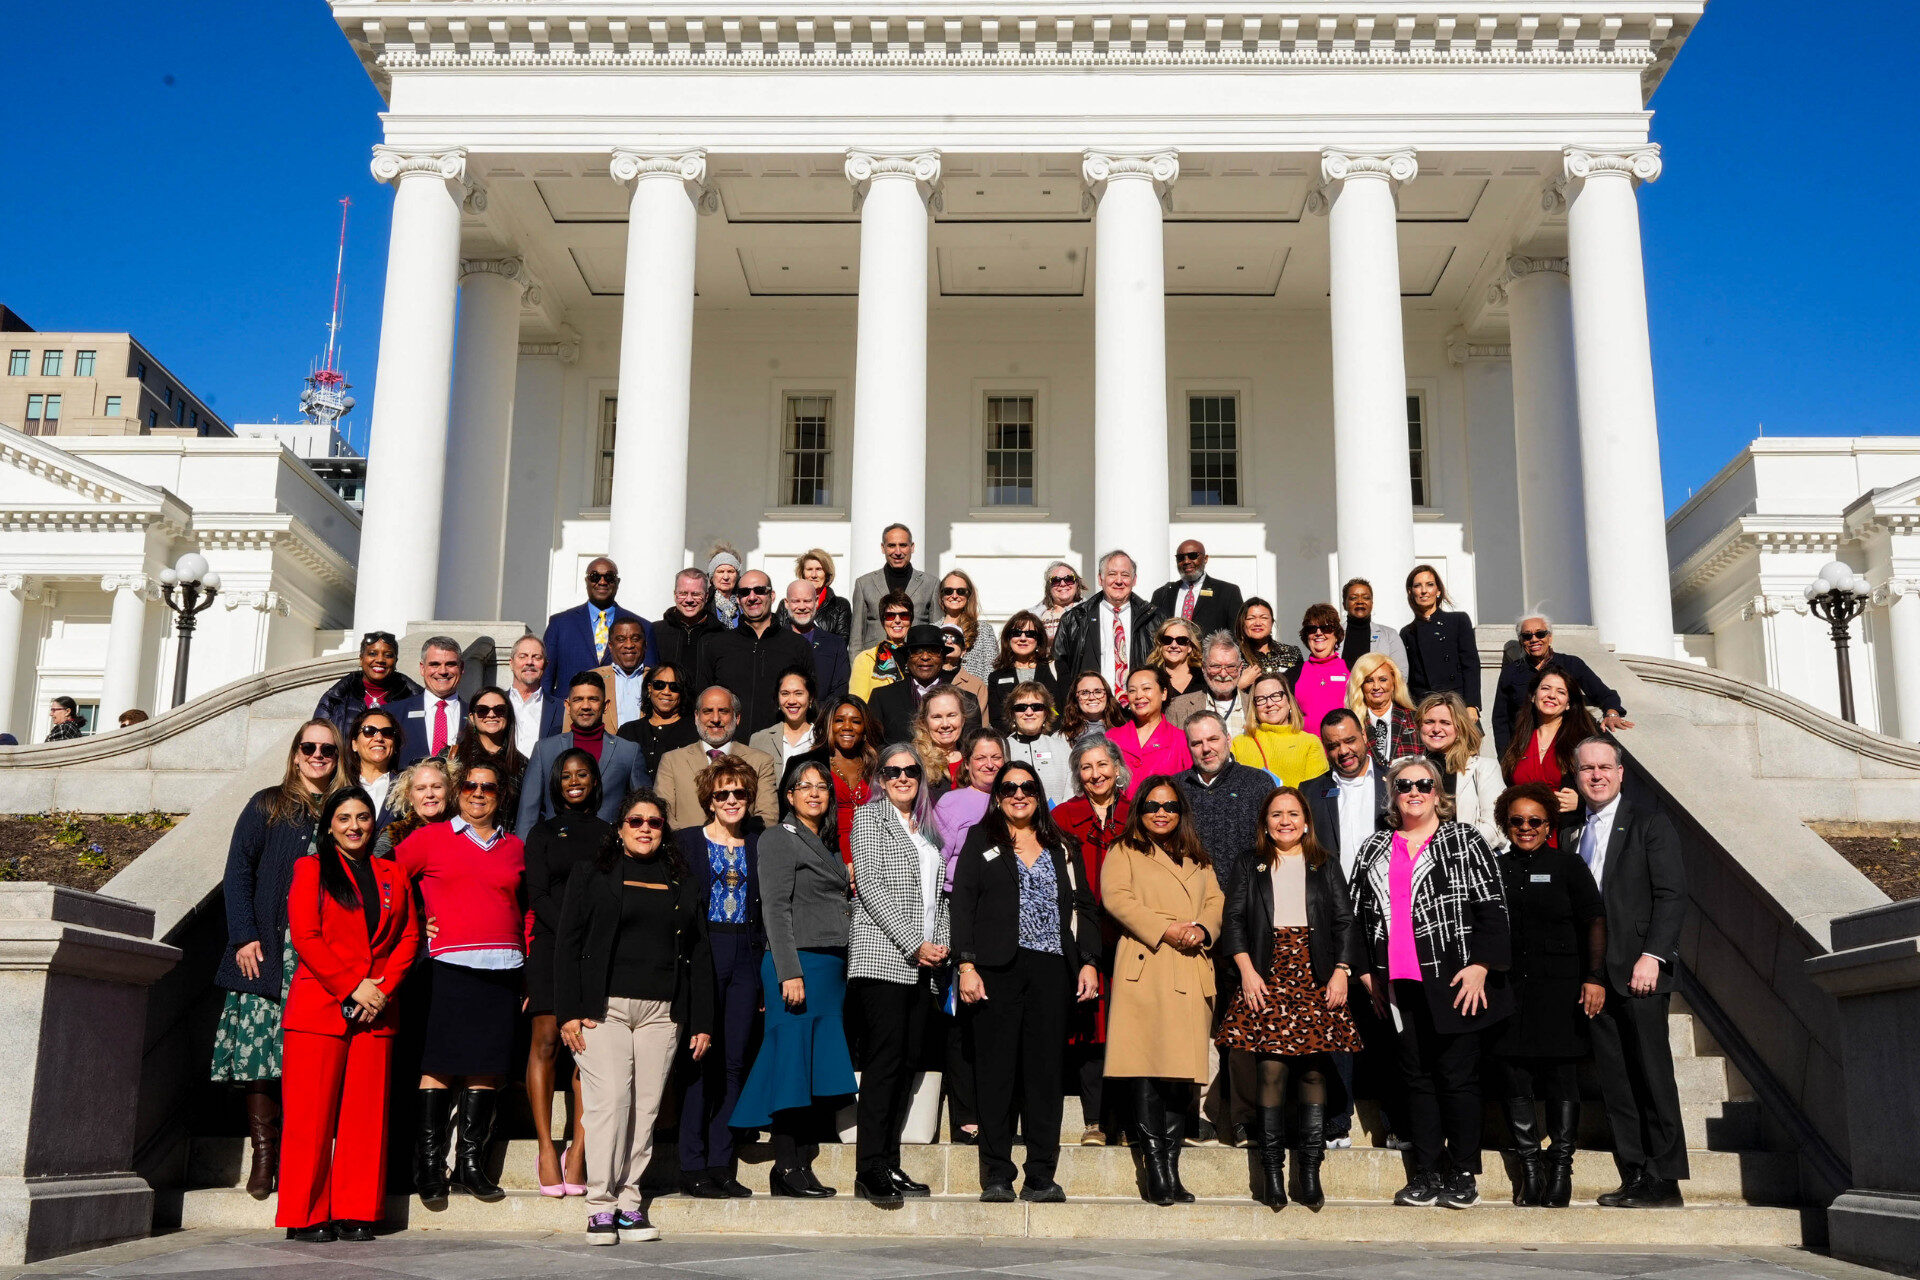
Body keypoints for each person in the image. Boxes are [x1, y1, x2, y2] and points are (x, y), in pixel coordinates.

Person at [1348, 755, 1512, 1210]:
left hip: (1456, 980)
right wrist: (1365, 973)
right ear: (1392, 795)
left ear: (1438, 792)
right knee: (1415, 1080)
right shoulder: (1373, 848)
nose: (1413, 792)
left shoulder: (1462, 840)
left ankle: (1461, 1172)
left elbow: (1492, 907)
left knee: (1457, 1079)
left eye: (1423, 784)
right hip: (1397, 986)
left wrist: (1481, 964)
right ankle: (1424, 1171)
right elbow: (1356, 918)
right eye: (1404, 786)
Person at [557, 789, 715, 1245]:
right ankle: (600, 1206)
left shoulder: (680, 880)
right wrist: (568, 1011)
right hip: (601, 1011)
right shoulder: (592, 874)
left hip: (661, 1014)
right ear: (620, 828)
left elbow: (698, 951)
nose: (645, 828)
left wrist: (699, 1019)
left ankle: (629, 1203)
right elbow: (567, 943)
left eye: (655, 822)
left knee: (645, 1111)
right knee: (610, 1107)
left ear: (664, 831)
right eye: (635, 821)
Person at [951, 760, 1101, 1203]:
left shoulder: (1063, 846)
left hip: (1052, 970)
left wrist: (1088, 960)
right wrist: (966, 965)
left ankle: (1040, 1175)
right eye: (1010, 787)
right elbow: (963, 906)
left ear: (1039, 795)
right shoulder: (981, 840)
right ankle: (996, 1174)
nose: (1020, 794)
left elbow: (1085, 907)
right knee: (996, 1074)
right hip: (995, 971)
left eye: (1029, 787)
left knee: (1043, 1076)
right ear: (998, 796)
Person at [277, 787, 422, 1243]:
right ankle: (305, 1215)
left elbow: (410, 938)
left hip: (376, 1009)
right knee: (310, 1118)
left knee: (365, 1119)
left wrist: (380, 990)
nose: (354, 826)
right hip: (320, 1007)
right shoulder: (311, 868)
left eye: (362, 817)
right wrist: (351, 984)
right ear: (329, 825)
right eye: (344, 818)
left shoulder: (391, 872)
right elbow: (306, 935)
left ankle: (357, 1210)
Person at [211, 719, 347, 1199]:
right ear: (294, 754)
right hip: (267, 949)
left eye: (327, 750)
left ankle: (302, 1153)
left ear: (338, 757)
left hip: (319, 955)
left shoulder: (343, 810)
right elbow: (238, 870)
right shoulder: (268, 804)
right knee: (261, 1059)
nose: (317, 755)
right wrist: (244, 935)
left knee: (306, 1061)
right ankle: (265, 1156)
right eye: (308, 747)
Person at [1215, 786, 1362, 1210]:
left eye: (1293, 814)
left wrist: (1341, 972)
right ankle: (1273, 1173)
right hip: (1265, 972)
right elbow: (1235, 920)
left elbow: (1344, 922)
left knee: (1315, 1071)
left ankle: (1310, 1174)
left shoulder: (1325, 864)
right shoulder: (1249, 863)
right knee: (1272, 1072)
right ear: (1265, 821)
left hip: (1316, 973)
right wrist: (1246, 971)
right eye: (1276, 814)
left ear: (1305, 821)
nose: (1285, 821)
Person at [1563, 738, 1690, 1210]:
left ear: (1620, 773)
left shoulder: (1649, 823)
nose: (1596, 775)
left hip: (1640, 972)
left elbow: (1672, 895)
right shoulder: (1571, 830)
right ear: (1576, 775)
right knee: (1615, 1080)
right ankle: (1635, 1173)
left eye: (1604, 767)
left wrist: (1653, 955)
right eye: (1586, 768)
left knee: (1652, 1074)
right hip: (1594, 978)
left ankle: (1666, 1178)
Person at [396, 761, 527, 1205]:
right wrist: (413, 924)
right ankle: (430, 1165)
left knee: (486, 1066)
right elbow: (385, 882)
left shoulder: (515, 847)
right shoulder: (430, 839)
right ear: (458, 791)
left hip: (504, 968)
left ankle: (471, 1164)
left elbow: (526, 906)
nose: (477, 793)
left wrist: (524, 948)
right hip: (447, 965)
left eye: (487, 787)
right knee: (439, 1064)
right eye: (469, 785)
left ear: (500, 795)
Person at [732, 761, 858, 1197]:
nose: (814, 793)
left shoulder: (826, 843)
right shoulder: (778, 838)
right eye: (804, 786)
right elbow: (775, 909)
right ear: (788, 795)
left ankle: (801, 1164)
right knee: (790, 1066)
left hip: (829, 969)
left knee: (810, 1069)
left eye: (822, 786)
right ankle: (786, 1166)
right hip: (798, 964)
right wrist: (789, 971)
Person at [1101, 777, 1224, 1206]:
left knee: (1179, 1077)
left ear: (1180, 811)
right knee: (1147, 1071)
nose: (1161, 812)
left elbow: (1215, 902)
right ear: (1140, 808)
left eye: (1170, 806)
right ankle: (1155, 1169)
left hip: (1190, 968)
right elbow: (1116, 898)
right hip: (1147, 964)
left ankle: (1171, 1169)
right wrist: (1166, 928)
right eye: (1152, 805)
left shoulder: (1199, 857)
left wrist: (1203, 929)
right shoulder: (1124, 850)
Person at [1489, 782, 1606, 1209]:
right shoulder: (1495, 867)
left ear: (1549, 824)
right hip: (1508, 989)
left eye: (1535, 821)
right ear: (1506, 822)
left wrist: (1594, 977)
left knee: (1561, 1075)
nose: (1525, 828)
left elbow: (1594, 920)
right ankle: (1530, 1167)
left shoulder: (1568, 866)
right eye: (1517, 820)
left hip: (1560, 987)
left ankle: (1560, 1166)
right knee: (1512, 1072)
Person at [847, 744, 951, 1207]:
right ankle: (869, 1168)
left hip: (923, 968)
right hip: (882, 959)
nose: (903, 777)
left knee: (906, 1063)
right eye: (894, 771)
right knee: (884, 1065)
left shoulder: (928, 829)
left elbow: (939, 898)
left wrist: (941, 942)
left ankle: (889, 1160)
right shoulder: (870, 819)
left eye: (911, 771)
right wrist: (914, 943)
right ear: (881, 778)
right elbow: (869, 885)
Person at [1299, 708, 1396, 1150]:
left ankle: (1395, 1122)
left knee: (1389, 1018)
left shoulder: (1398, 783)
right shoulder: (1311, 793)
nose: (1343, 751)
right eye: (1333, 745)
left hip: (1389, 921)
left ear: (1365, 738)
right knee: (1335, 1018)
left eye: (1349, 741)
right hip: (1333, 921)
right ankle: (1337, 1122)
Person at [522, 749, 613, 1199]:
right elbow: (536, 892)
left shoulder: (608, 833)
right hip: (549, 947)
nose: (574, 781)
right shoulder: (541, 832)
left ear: (594, 781)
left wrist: (585, 941)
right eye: (566, 775)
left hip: (592, 954)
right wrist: (569, 935)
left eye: (582, 775)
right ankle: (545, 1147)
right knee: (545, 1043)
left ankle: (577, 1152)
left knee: (587, 1052)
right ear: (556, 783)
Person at [671, 757, 764, 1198]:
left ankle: (721, 1163)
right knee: (697, 1059)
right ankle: (691, 1164)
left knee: (733, 1062)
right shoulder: (686, 842)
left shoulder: (760, 844)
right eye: (722, 794)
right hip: (702, 954)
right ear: (709, 799)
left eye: (739, 793)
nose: (731, 800)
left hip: (746, 953)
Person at [1052, 738, 1130, 1144]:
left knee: (1130, 1025)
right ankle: (1096, 1120)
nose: (1096, 773)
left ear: (1117, 767)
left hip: (1132, 935)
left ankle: (1131, 1119)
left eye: (1103, 764)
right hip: (1083, 932)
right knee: (1091, 1026)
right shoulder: (1064, 816)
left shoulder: (1137, 813)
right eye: (1086, 767)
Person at [518, 673, 648, 833]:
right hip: (556, 848)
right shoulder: (544, 750)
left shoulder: (628, 751)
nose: (585, 706)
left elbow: (645, 807)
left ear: (606, 705)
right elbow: (528, 812)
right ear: (567, 705)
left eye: (593, 699)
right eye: (578, 699)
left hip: (608, 850)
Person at [1491, 614, 1633, 755]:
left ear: (1550, 637)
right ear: (1521, 641)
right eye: (1527, 636)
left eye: (1540, 634)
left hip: (1565, 749)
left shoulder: (1571, 664)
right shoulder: (1510, 672)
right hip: (1524, 751)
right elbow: (1500, 719)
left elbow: (1604, 695)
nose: (1534, 639)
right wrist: (1504, 759)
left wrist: (1612, 714)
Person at [698, 569, 815, 739]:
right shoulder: (717, 645)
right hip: (728, 748)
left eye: (760, 590)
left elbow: (810, 701)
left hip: (779, 746)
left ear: (772, 596)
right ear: (738, 599)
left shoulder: (797, 645)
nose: (752, 597)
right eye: (745, 592)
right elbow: (703, 700)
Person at [1177, 711, 1270, 903]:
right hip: (1192, 904)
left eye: (1213, 739)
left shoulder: (1257, 783)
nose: (1206, 749)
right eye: (1196, 743)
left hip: (1248, 901)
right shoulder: (1176, 787)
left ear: (1228, 739)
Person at [656, 686, 780, 830]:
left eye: (723, 711)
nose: (715, 719)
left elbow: (767, 818)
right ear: (696, 717)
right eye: (708, 711)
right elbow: (664, 814)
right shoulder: (672, 761)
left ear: (737, 717)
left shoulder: (760, 762)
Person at [1498, 663, 1598, 832]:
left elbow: (1612, 786)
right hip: (1522, 835)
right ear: (1533, 696)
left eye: (1561, 692)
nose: (1552, 695)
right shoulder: (1519, 738)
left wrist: (1583, 802)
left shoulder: (1584, 742)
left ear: (1568, 704)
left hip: (1563, 838)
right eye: (1545, 688)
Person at [781, 693, 879, 866]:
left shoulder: (877, 766)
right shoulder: (802, 763)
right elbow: (785, 816)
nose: (847, 727)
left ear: (865, 728)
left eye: (856, 721)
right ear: (829, 724)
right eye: (839, 720)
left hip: (873, 857)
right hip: (824, 857)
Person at [543, 557, 654, 698]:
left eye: (609, 577)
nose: (602, 582)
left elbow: (651, 680)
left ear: (617, 582)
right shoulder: (560, 624)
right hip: (568, 714)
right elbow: (545, 679)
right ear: (586, 581)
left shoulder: (643, 627)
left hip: (621, 715)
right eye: (595, 576)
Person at [1051, 550, 1160, 694]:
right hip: (1092, 708)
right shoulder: (1074, 619)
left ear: (1134, 580)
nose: (1119, 581)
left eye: (1125, 575)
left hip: (1139, 706)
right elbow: (1061, 668)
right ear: (1100, 579)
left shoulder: (1154, 618)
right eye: (1112, 574)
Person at [1419, 692, 1506, 850]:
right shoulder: (1406, 768)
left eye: (1445, 723)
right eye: (1429, 722)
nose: (1436, 729)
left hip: (1467, 860)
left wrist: (1455, 848)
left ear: (1459, 728)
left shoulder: (1485, 768)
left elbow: (1495, 827)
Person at [1400, 565, 1480, 719]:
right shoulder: (1407, 632)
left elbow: (1471, 665)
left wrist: (1472, 704)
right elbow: (1408, 679)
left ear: (1438, 591)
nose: (1424, 590)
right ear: (1411, 592)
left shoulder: (1458, 621)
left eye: (1429, 585)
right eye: (1418, 586)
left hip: (1457, 703)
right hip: (1424, 706)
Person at [932, 728, 1008, 891]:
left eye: (996, 757)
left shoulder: (1016, 799)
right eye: (980, 758)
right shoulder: (951, 802)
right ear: (967, 763)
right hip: (963, 895)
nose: (989, 764)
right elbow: (937, 860)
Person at [1231, 672, 1329, 788]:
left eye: (1276, 695)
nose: (1270, 703)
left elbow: (1315, 795)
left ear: (1288, 701)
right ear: (1254, 707)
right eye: (1261, 699)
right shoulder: (1238, 743)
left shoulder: (1310, 743)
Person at [849, 523, 936, 654]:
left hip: (916, 663)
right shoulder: (864, 584)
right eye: (891, 545)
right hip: (874, 664)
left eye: (903, 545)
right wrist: (856, 669)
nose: (898, 552)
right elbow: (856, 637)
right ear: (883, 548)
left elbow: (936, 632)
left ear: (912, 547)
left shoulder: (931, 584)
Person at [1106, 668, 1192, 800]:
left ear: (1163, 693)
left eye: (1146, 688)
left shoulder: (1180, 740)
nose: (1139, 696)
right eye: (1132, 690)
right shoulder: (1112, 737)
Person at [315, 630, 421, 737]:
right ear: (361, 659)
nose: (380, 659)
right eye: (372, 654)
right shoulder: (334, 698)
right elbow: (318, 741)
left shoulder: (416, 698)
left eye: (388, 655)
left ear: (395, 661)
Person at [870, 624, 961, 744]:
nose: (925, 657)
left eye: (933, 651)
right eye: (916, 652)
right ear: (907, 658)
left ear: (943, 658)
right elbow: (873, 747)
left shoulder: (964, 700)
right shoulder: (882, 698)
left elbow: (970, 748)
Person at [388, 636, 465, 767]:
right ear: (422, 668)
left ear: (461, 668)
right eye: (435, 664)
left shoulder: (478, 716)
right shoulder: (393, 714)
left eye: (450, 664)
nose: (443, 671)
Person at [451, 686, 528, 816]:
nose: (491, 715)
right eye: (482, 710)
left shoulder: (523, 765)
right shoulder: (453, 757)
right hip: (456, 835)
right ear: (471, 717)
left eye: (499, 710)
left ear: (508, 715)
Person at [616, 661, 699, 780]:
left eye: (674, 687)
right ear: (649, 688)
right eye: (659, 685)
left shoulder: (695, 731)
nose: (666, 692)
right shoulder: (629, 731)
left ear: (682, 692)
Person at [1151, 540, 1246, 637]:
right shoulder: (1162, 594)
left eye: (1192, 556)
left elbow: (1237, 635)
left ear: (1205, 558)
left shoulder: (1227, 592)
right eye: (1180, 558)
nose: (1186, 561)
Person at [984, 611, 1060, 730]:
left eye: (1030, 634)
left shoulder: (1056, 669)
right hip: (1012, 742)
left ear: (1038, 639)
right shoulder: (996, 677)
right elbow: (997, 718)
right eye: (1017, 633)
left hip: (1049, 741)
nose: (1023, 638)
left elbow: (1063, 710)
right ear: (1008, 639)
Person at [1168, 632, 1252, 738]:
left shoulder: (1254, 706)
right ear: (1204, 667)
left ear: (1240, 668)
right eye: (1215, 666)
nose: (1223, 674)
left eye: (1230, 666)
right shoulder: (1178, 707)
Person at [1001, 682, 1072, 800]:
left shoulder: (1062, 748)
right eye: (1021, 708)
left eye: (1036, 707)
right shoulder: (1002, 748)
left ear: (1046, 713)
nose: (1029, 712)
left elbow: (1072, 790)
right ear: (1012, 714)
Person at [782, 579, 851, 701]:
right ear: (787, 603)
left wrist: (818, 717)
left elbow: (840, 690)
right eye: (796, 601)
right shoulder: (774, 641)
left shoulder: (835, 644)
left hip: (822, 717)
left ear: (816, 602)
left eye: (807, 601)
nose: (802, 607)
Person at [372, 758, 453, 860]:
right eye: (421, 789)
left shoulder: (465, 831)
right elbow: (377, 872)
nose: (429, 794)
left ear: (449, 791)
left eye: (436, 787)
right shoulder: (395, 834)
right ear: (409, 796)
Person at [1347, 652, 1419, 768]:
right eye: (1369, 680)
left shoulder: (1415, 719)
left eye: (1383, 679)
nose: (1376, 687)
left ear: (1393, 683)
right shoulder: (1351, 724)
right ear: (1360, 685)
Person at [1290, 604, 1350, 736]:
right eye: (1312, 629)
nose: (1318, 633)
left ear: (1337, 634)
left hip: (1344, 751)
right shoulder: (1292, 675)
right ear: (1306, 636)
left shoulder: (1352, 670)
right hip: (1307, 753)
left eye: (1326, 628)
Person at [654, 568, 726, 677]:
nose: (689, 600)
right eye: (683, 593)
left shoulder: (721, 635)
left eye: (696, 594)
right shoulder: (655, 632)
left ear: (706, 597)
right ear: (675, 595)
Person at [749, 664, 819, 770]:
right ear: (777, 698)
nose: (791, 701)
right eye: (785, 694)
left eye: (798, 693)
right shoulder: (759, 740)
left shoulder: (822, 739)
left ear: (810, 698)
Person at [589, 618, 652, 734]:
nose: (629, 645)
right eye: (621, 639)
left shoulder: (657, 679)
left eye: (635, 639)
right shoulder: (592, 679)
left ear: (645, 645)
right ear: (611, 646)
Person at [850, 591, 915, 703]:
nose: (897, 621)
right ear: (882, 621)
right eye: (890, 616)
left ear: (911, 620)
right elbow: (858, 703)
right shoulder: (865, 659)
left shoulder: (917, 656)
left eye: (904, 615)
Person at [506, 635, 564, 757]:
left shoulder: (561, 709)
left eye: (537, 657)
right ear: (511, 663)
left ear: (546, 665)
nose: (529, 662)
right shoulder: (494, 704)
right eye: (523, 657)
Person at [1338, 578, 1409, 675]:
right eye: (1353, 598)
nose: (1360, 601)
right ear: (1344, 605)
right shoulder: (1334, 635)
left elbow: (1401, 674)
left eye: (1366, 597)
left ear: (1372, 603)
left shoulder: (1389, 636)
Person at [936, 569, 998, 678]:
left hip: (974, 692)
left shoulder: (983, 630)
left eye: (960, 591)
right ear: (942, 595)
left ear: (968, 595)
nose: (954, 595)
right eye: (948, 591)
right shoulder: (933, 629)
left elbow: (991, 669)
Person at [779, 548, 853, 639]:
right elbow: (777, 638)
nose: (814, 575)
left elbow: (841, 643)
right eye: (809, 569)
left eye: (819, 569)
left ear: (827, 573)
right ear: (803, 573)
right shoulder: (786, 605)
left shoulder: (841, 605)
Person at [345, 708, 402, 826]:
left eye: (387, 732)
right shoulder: (339, 783)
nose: (379, 738)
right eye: (369, 731)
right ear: (354, 744)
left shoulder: (407, 787)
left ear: (395, 744)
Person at [1236, 598, 1303, 687]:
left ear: (1271, 622)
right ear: (1242, 623)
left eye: (1264, 618)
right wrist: (1241, 685)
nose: (1258, 623)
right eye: (1251, 618)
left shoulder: (1292, 653)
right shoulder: (1234, 657)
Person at [937, 624, 993, 712]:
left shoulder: (977, 685)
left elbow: (981, 723)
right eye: (944, 638)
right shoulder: (925, 679)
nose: (949, 641)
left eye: (956, 639)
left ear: (964, 650)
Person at [1059, 670, 1124, 745]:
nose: (1092, 697)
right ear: (1075, 698)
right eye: (1084, 693)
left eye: (1098, 692)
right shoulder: (1063, 738)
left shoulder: (1125, 731)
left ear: (1107, 695)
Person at [1149, 618, 1205, 700]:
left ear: (1190, 647)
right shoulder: (1152, 677)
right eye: (1167, 640)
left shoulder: (1204, 676)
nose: (1174, 645)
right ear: (1161, 645)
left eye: (1181, 640)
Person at [1032, 561, 1086, 644]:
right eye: (1055, 580)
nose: (1063, 584)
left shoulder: (1089, 611)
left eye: (1069, 579)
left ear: (1077, 583)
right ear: (1049, 586)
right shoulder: (1033, 615)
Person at [707, 546, 745, 629]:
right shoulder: (704, 603)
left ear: (737, 576)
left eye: (730, 571)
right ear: (712, 577)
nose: (726, 577)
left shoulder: (745, 602)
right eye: (720, 571)